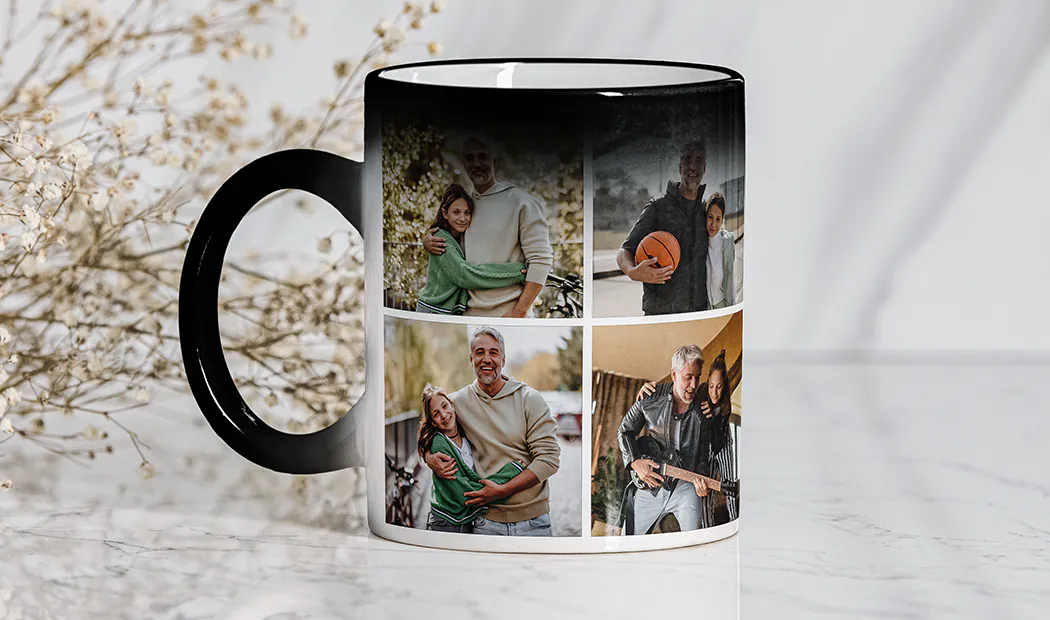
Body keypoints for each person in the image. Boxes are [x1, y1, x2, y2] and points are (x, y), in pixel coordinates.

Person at [424, 327, 561, 536]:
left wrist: (503, 491)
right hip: (484, 522)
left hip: (533, 523)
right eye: (480, 353)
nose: (486, 359)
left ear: (503, 359)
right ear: (471, 359)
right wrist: (428, 457)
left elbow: (549, 460)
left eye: (493, 352)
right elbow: (428, 423)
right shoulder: (457, 403)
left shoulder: (530, 399)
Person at [421, 135, 554, 317]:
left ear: (495, 161)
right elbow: (448, 240)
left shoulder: (522, 202)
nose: (476, 164)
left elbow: (541, 261)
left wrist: (519, 312)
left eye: (483, 157)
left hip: (508, 315)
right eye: (470, 158)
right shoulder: (465, 206)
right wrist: (427, 240)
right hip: (466, 315)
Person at [636, 349, 739, 526]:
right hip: (698, 455)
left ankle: (736, 520)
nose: (714, 392)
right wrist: (645, 390)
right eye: (711, 386)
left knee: (717, 488)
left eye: (719, 386)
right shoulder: (699, 396)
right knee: (702, 498)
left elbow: (717, 445)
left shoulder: (724, 409)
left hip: (720, 445)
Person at [617, 345, 709, 535]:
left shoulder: (704, 406)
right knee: (627, 545)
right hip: (652, 485)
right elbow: (624, 431)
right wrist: (634, 462)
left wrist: (702, 480)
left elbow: (705, 451)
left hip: (686, 487)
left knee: (693, 543)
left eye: (697, 377)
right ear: (674, 375)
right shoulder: (649, 397)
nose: (694, 384)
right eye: (688, 377)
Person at [417, 383, 528, 533]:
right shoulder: (439, 444)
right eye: (436, 414)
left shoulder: (466, 431)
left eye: (445, 406)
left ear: (452, 405)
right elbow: (467, 493)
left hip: (467, 520)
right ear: (432, 422)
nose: (443, 415)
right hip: (446, 522)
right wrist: (512, 471)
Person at [617, 141, 710, 315]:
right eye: (687, 160)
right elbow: (625, 250)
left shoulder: (706, 212)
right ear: (679, 166)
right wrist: (633, 271)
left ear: (704, 167)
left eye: (698, 161)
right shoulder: (658, 206)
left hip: (698, 314)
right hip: (660, 315)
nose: (692, 166)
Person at [415, 184, 528, 315]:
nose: (462, 219)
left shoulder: (462, 236)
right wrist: (518, 272)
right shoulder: (440, 239)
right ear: (445, 213)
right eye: (456, 212)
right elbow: (466, 275)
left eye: (467, 213)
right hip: (432, 311)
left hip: (445, 313)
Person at [704, 193, 736, 309]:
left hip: (723, 306)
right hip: (706, 309)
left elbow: (730, 280)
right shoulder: (701, 243)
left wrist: (732, 309)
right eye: (710, 217)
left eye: (718, 219)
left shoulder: (727, 244)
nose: (713, 224)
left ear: (722, 220)